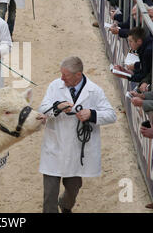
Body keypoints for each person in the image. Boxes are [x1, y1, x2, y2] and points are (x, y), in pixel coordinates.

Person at [39, 56, 116, 213]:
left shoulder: (94, 91)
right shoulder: (55, 86)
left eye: (65, 75)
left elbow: (111, 115)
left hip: (77, 151)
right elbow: (42, 109)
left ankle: (66, 205)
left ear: (78, 75)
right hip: (55, 148)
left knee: (73, 189)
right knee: (49, 196)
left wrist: (92, 114)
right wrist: (57, 106)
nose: (61, 78)